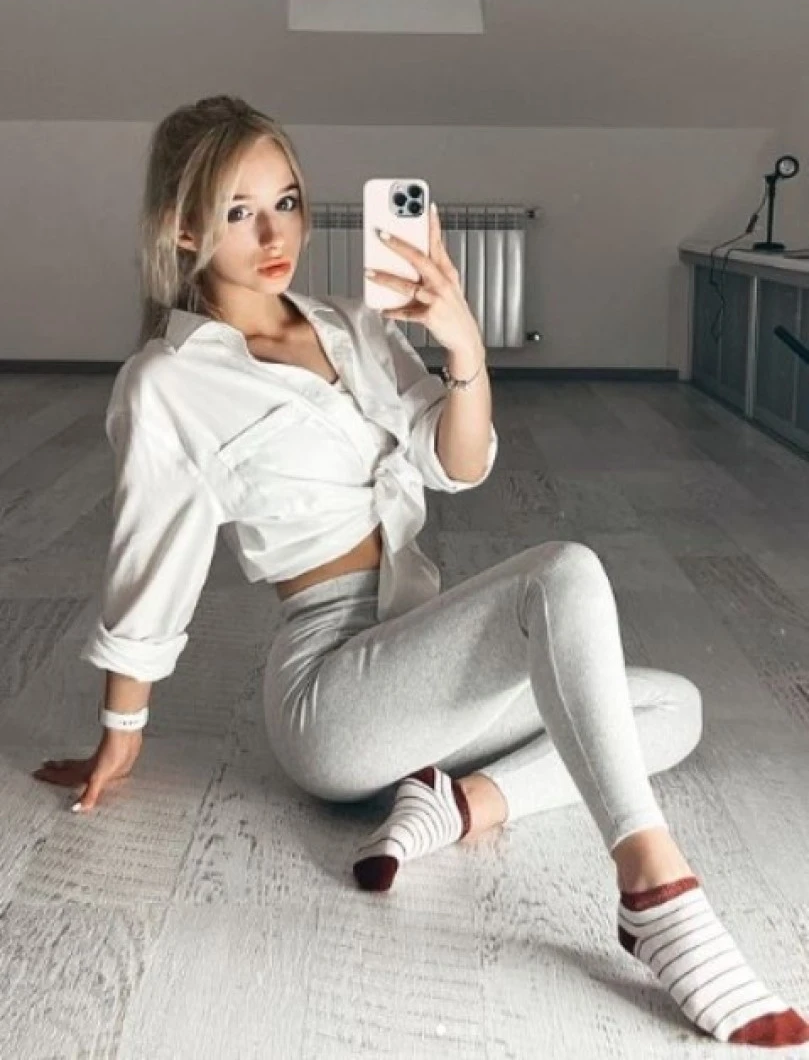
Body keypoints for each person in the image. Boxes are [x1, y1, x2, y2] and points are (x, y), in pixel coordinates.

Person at [33, 95, 808, 1048]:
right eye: (238, 212)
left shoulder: (353, 325)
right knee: (561, 572)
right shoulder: (169, 382)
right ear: (183, 228)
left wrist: (463, 346)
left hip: (415, 653)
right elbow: (148, 563)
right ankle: (655, 889)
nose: (275, 235)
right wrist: (120, 732)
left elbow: (457, 463)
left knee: (670, 707)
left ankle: (455, 803)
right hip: (330, 697)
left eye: (286, 201)